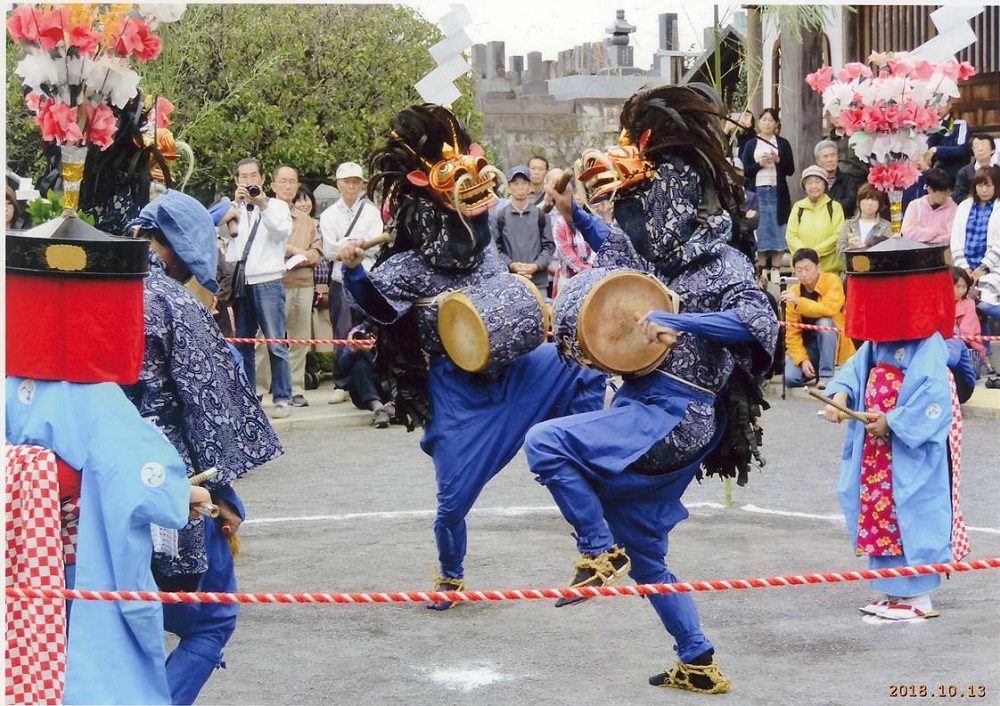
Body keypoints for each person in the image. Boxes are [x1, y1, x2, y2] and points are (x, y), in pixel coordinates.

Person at [526, 85, 778, 694]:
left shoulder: (723, 263)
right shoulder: (651, 258)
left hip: (680, 413)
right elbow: (612, 244)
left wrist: (680, 320)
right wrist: (571, 211)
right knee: (649, 559)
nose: (634, 212)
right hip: (643, 407)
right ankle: (699, 661)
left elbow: (758, 324)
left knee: (545, 443)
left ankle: (597, 548)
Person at [339, 104, 606, 610]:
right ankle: (450, 577)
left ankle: (596, 540)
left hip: (515, 368)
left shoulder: (484, 251)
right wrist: (354, 273)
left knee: (578, 359)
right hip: (458, 391)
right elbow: (382, 310)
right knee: (452, 500)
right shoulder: (407, 267)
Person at [5, 214, 205, 704]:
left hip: (20, 556)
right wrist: (184, 493)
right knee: (87, 667)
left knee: (31, 661)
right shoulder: (95, 398)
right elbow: (140, 479)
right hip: (76, 558)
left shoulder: (11, 384)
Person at [126, 190, 283, 704]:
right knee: (213, 617)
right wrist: (226, 496)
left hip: (83, 479)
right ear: (174, 246)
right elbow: (209, 410)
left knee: (106, 612)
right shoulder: (171, 301)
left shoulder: (91, 289)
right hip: (166, 471)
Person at [822, 239, 968, 621]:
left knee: (912, 512)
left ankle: (917, 597)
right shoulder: (877, 342)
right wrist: (839, 396)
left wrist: (894, 421)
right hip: (877, 451)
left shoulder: (929, 344)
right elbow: (855, 372)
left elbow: (933, 399)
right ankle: (891, 591)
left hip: (908, 448)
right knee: (879, 511)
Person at [219, 157, 294, 419]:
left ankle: (283, 398)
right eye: (244, 177)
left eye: (253, 176)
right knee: (243, 342)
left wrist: (262, 203)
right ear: (236, 180)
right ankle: (249, 399)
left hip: (268, 280)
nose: (249, 181)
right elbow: (225, 239)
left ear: (262, 179)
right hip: (241, 281)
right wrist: (235, 206)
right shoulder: (232, 207)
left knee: (275, 342)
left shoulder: (277, 206)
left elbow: (281, 232)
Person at [255, 166, 323, 407]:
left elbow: (317, 252)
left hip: (303, 283)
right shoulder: (264, 213)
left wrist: (303, 255)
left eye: (292, 181)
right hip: (273, 282)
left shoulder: (307, 221)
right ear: (273, 185)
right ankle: (259, 388)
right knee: (267, 338)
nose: (287, 186)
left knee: (299, 338)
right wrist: (293, 250)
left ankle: (296, 388)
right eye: (282, 181)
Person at [319, 161, 384, 341]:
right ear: (338, 184)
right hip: (340, 280)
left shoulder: (372, 212)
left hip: (367, 278)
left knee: (369, 334)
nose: (351, 186)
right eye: (347, 181)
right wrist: (358, 244)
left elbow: (376, 246)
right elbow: (329, 251)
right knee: (342, 334)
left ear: (361, 185)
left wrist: (344, 244)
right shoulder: (328, 215)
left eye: (356, 182)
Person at [782, 248, 854, 388]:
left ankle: (826, 375)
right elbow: (792, 333)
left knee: (824, 323)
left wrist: (800, 302)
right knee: (790, 378)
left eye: (807, 269)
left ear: (818, 268)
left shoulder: (832, 280)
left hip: (833, 339)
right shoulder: (794, 292)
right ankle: (815, 369)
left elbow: (828, 309)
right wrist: (802, 360)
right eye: (799, 270)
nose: (803, 274)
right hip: (809, 344)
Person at [740, 107, 795, 276]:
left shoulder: (783, 143)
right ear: (758, 123)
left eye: (771, 120)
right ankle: (762, 268)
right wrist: (759, 165)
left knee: (778, 228)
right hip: (757, 192)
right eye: (764, 120)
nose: (767, 123)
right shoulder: (751, 144)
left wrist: (778, 160)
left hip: (777, 192)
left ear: (776, 124)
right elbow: (745, 170)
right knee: (761, 228)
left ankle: (777, 268)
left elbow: (790, 170)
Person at [492, 164, 555, 292]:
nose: (520, 187)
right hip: (509, 283)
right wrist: (512, 265)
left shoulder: (541, 215)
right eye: (515, 183)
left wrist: (536, 265)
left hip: (538, 282)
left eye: (524, 183)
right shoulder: (499, 216)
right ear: (509, 188)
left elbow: (549, 246)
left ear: (530, 187)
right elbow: (496, 249)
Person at [786, 165, 846, 276]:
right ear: (804, 187)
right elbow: (791, 236)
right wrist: (806, 254)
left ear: (824, 185)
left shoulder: (834, 207)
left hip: (829, 270)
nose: (813, 186)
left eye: (817, 182)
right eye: (809, 183)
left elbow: (838, 235)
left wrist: (815, 252)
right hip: (803, 271)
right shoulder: (798, 207)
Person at [335, 322, 394, 428]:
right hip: (363, 394)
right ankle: (378, 409)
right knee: (360, 365)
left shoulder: (392, 329)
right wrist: (353, 350)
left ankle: (393, 407)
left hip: (388, 388)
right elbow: (342, 367)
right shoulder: (358, 331)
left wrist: (373, 351)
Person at [950, 166, 1000, 284]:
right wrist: (964, 267)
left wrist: (984, 267)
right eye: (980, 186)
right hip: (964, 267)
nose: (984, 190)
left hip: (993, 267)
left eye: (988, 186)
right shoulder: (964, 206)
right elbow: (955, 239)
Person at [548, 168, 594, 297]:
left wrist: (592, 268)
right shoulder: (560, 223)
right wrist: (585, 270)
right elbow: (565, 253)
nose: (578, 197)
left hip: (593, 277)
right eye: (575, 194)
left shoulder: (592, 219)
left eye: (581, 193)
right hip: (569, 279)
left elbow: (597, 248)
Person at [837, 183, 893, 269]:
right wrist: (851, 248)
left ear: (880, 204)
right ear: (859, 201)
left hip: (877, 272)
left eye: (874, 199)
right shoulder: (848, 224)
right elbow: (839, 253)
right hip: (852, 272)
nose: (869, 203)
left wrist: (864, 249)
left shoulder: (887, 226)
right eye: (866, 199)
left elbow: (889, 254)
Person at [901, 168, 958, 245]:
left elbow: (953, 236)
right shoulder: (915, 206)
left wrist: (922, 232)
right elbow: (907, 233)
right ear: (929, 190)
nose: (944, 196)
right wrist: (937, 231)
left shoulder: (953, 208)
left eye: (947, 192)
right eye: (941, 192)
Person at [952, 266, 991, 376]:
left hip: (967, 343)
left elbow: (967, 330)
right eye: (957, 286)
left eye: (964, 287)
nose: (961, 291)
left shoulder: (969, 303)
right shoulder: (941, 302)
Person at [927, 99, 970, 182]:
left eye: (941, 103)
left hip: (953, 178)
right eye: (934, 104)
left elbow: (961, 149)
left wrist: (936, 150)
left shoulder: (959, 124)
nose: (938, 108)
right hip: (930, 178)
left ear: (949, 105)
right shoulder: (925, 127)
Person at [815, 138, 860, 218]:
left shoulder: (848, 180)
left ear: (837, 157)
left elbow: (850, 202)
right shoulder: (814, 181)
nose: (830, 160)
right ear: (818, 161)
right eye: (825, 156)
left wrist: (829, 207)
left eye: (833, 155)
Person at [953, 133, 997, 204]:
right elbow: (958, 196)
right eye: (976, 146)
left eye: (983, 145)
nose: (980, 149)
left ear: (993, 150)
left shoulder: (998, 171)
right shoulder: (964, 172)